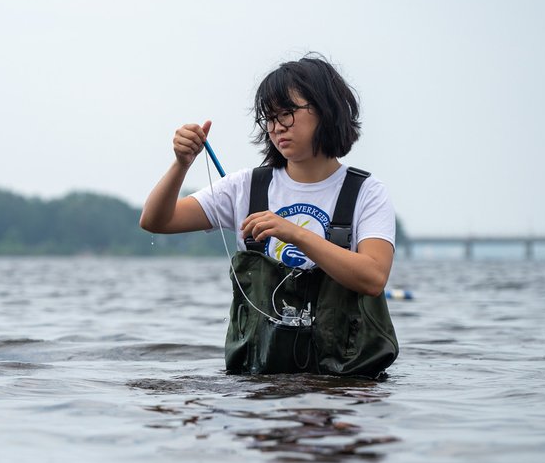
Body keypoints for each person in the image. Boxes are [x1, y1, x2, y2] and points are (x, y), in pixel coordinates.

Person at [139, 54, 399, 376]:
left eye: (287, 114)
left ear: (327, 109)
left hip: (344, 388)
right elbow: (155, 221)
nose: (277, 127)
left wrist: (294, 233)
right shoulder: (245, 186)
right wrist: (181, 164)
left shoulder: (366, 192)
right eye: (270, 117)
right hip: (259, 384)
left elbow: (373, 277)